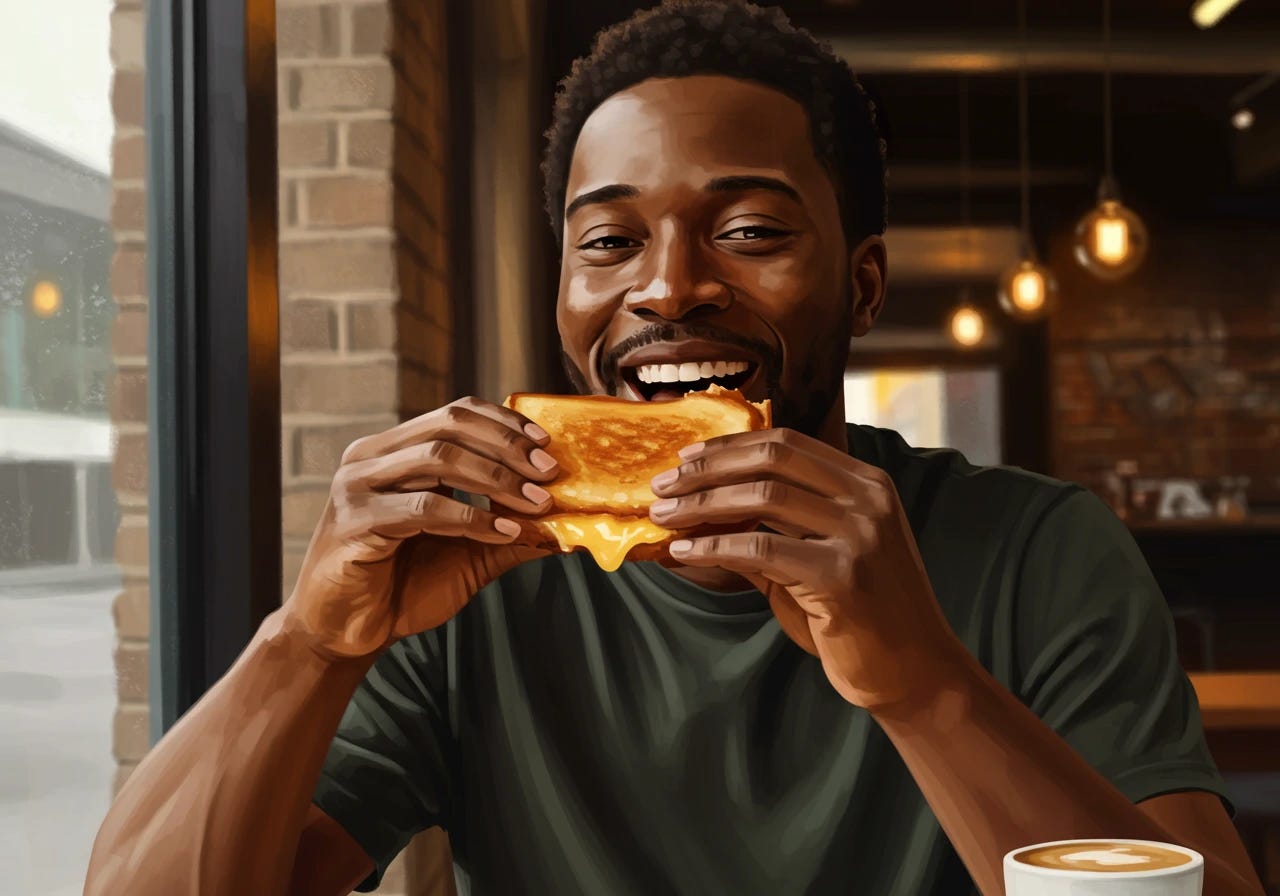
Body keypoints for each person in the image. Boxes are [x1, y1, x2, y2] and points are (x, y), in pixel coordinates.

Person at [86, 2, 1265, 894]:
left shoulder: (1034, 550)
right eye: (607, 241)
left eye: (748, 230)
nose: (667, 286)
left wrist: (921, 681)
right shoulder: (465, 594)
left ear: (860, 286)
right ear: (561, 293)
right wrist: (309, 640)